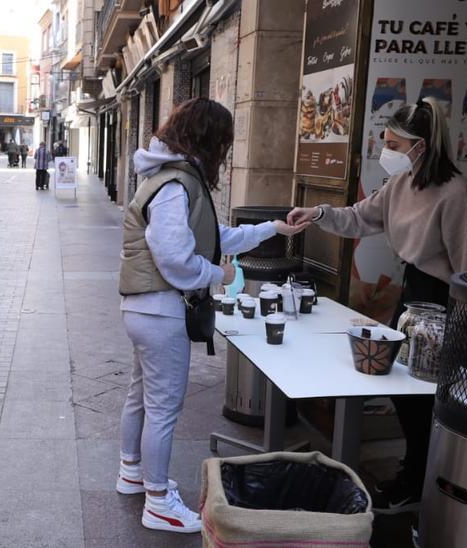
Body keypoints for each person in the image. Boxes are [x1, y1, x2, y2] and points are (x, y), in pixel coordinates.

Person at [285, 98, 467, 515]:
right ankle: (414, 474)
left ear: (421, 145)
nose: (388, 151)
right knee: (404, 396)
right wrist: (318, 212)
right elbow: (359, 218)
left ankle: (425, 485)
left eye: (395, 143)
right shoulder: (401, 185)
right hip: (412, 298)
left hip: (444, 305)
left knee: (429, 402)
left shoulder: (457, 196)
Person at [117, 98, 299, 534]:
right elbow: (177, 260)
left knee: (141, 398)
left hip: (146, 309)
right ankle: (158, 501)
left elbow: (214, 236)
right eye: (223, 141)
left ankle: (133, 474)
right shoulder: (177, 185)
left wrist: (274, 229)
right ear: (207, 139)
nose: (226, 151)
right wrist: (220, 273)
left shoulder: (169, 178)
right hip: (161, 312)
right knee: (163, 408)